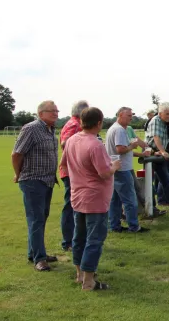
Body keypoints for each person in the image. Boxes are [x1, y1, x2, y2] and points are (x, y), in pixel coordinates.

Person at [60, 107, 120, 290]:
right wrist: (114, 166)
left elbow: (63, 163)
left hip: (78, 196)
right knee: (94, 239)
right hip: (95, 199)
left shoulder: (71, 140)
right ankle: (88, 281)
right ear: (99, 122)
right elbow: (104, 173)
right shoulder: (95, 144)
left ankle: (80, 274)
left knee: (79, 237)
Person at [11, 100, 60, 272]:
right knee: (36, 219)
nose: (55, 114)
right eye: (51, 111)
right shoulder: (31, 129)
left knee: (41, 217)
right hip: (33, 181)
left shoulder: (50, 130)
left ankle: (35, 252)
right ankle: (40, 259)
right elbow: (16, 154)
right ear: (40, 114)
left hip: (47, 181)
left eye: (56, 111)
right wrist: (18, 174)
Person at [105, 107, 149, 233]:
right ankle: (134, 226)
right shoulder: (119, 130)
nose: (131, 118)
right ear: (120, 115)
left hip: (115, 168)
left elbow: (124, 151)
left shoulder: (113, 128)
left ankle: (114, 225)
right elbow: (121, 149)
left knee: (115, 200)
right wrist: (133, 146)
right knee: (130, 199)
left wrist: (138, 153)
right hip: (122, 169)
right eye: (129, 115)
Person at [58, 99, 89, 252]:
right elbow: (65, 143)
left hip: (74, 171)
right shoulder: (74, 124)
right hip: (71, 172)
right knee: (71, 206)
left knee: (75, 206)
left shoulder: (75, 124)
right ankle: (68, 241)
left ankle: (75, 239)